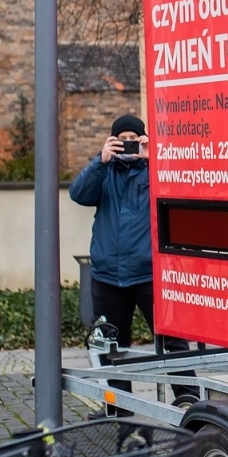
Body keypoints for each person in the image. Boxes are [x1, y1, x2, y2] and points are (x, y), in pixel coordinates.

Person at [69, 113, 154, 348]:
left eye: (133, 138)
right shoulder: (104, 172)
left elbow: (176, 191)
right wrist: (100, 161)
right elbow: (78, 194)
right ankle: (115, 388)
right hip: (108, 278)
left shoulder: (154, 170)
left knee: (171, 346)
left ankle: (184, 387)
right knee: (113, 350)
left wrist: (153, 159)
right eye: (121, 138)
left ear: (143, 139)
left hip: (148, 275)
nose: (127, 143)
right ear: (112, 141)